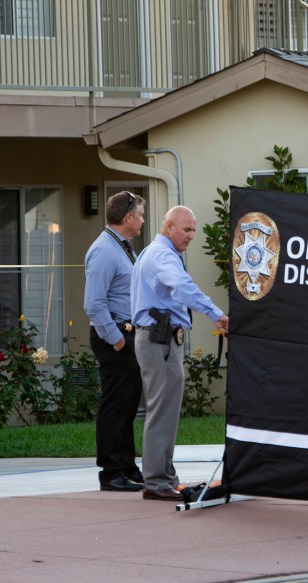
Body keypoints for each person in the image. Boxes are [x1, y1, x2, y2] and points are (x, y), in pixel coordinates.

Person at [131, 205, 229, 501]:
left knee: (164, 410)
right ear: (169, 226)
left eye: (194, 230)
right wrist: (216, 314)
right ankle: (158, 482)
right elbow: (182, 288)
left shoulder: (156, 252)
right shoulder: (162, 255)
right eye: (186, 230)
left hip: (158, 340)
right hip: (159, 341)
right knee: (162, 412)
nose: (191, 236)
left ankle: (164, 478)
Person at [83, 191, 146, 491]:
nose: (143, 220)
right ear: (127, 217)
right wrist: (118, 341)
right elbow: (94, 304)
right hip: (115, 337)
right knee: (115, 405)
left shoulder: (121, 247)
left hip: (127, 334)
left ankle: (126, 466)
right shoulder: (104, 251)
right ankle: (110, 473)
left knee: (128, 404)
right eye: (141, 214)